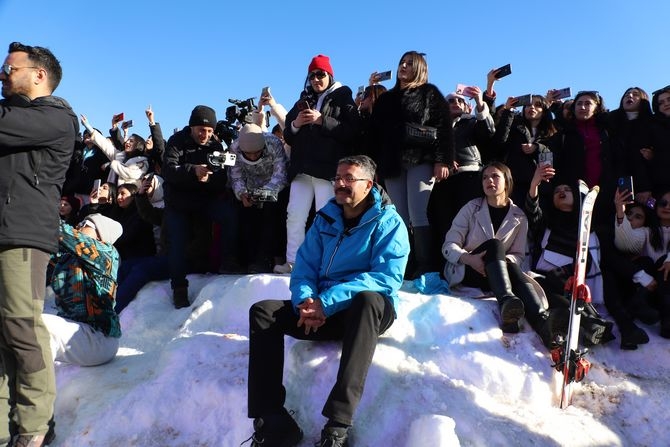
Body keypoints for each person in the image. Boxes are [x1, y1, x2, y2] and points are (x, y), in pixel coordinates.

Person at [246, 155, 409, 447]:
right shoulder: (325, 217)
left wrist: (327, 302)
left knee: (369, 299)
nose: (341, 184)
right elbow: (305, 267)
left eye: (349, 178)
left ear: (368, 184)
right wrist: (306, 301)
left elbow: (385, 278)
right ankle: (272, 420)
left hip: (365, 314)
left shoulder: (388, 221)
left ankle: (338, 424)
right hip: (322, 308)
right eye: (337, 178)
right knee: (263, 311)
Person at [0, 41, 78, 447]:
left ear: (38, 74)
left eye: (9, 69)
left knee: (21, 326)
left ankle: (34, 429)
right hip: (3, 231)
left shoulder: (55, 117)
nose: (2, 74)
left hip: (22, 235)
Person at [274, 54, 361, 274]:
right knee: (294, 215)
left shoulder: (343, 96)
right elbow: (289, 135)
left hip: (327, 169)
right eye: (312, 75)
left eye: (320, 74)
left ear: (329, 75)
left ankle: (326, 264)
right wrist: (295, 124)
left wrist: (323, 121)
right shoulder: (304, 98)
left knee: (326, 217)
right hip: (302, 169)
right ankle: (293, 261)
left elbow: (353, 131)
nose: (315, 79)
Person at [370, 50, 453, 278]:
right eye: (401, 62)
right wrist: (374, 166)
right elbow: (374, 134)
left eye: (409, 63)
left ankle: (426, 265)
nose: (403, 66)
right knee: (399, 216)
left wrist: (442, 159)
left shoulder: (430, 93)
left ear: (419, 68)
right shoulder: (386, 99)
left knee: (418, 213)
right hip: (392, 162)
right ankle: (403, 265)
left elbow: (444, 128)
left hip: (421, 159)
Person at [162, 105, 239, 307]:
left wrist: (209, 180)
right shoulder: (177, 141)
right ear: (192, 127)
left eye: (209, 131)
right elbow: (169, 171)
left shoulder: (215, 146)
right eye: (201, 130)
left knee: (229, 215)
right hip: (178, 203)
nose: (205, 135)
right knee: (177, 242)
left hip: (204, 200)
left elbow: (222, 178)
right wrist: (192, 171)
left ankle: (228, 261)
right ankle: (179, 287)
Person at [442, 162, 529, 333]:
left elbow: (518, 255)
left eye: (495, 176)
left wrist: (500, 263)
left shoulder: (519, 216)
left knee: (512, 266)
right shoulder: (471, 208)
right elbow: (449, 245)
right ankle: (506, 302)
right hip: (468, 270)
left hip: (497, 276)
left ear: (507, 181)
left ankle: (541, 321)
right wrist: (470, 259)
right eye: (485, 177)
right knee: (495, 245)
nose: (489, 180)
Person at [43, 214, 123, 366]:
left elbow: (63, 233)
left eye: (85, 224)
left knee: (42, 325)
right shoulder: (67, 258)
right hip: (77, 332)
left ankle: (35, 385)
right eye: (79, 223)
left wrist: (41, 209)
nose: (78, 226)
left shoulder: (106, 253)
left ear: (101, 235)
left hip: (100, 339)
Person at [228, 123, 288, 273]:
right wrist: (242, 193)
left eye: (257, 153)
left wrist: (264, 193)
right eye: (249, 154)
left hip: (273, 188)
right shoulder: (234, 149)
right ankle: (246, 260)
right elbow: (235, 176)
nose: (253, 156)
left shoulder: (274, 143)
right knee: (246, 220)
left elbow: (280, 174)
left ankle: (268, 259)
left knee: (271, 218)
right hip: (249, 189)